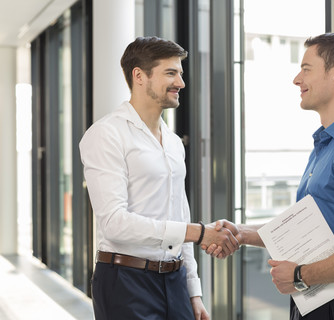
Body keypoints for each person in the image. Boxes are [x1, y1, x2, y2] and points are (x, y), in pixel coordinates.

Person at [206, 32, 334, 319]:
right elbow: (311, 230)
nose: (297, 79)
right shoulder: (329, 143)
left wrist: (300, 274)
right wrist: (242, 233)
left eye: (306, 69)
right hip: (314, 299)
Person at [79, 36, 239, 320]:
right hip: (125, 283)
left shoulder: (175, 143)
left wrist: (193, 291)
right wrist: (200, 232)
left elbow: (180, 213)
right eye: (170, 73)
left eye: (180, 73)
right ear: (139, 76)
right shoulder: (106, 134)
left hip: (175, 280)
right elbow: (115, 224)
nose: (181, 83)